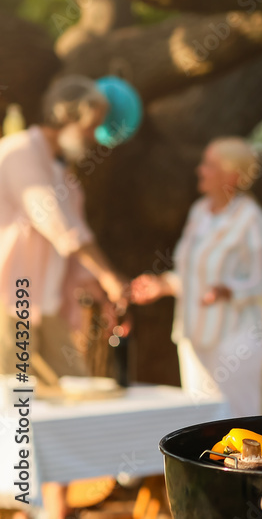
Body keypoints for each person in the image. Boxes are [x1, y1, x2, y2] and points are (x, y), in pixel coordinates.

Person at [0, 75, 130, 519]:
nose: (96, 136)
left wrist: (103, 294)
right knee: (12, 410)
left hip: (47, 307)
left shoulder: (63, 174)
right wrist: (111, 277)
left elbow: (73, 257)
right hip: (8, 305)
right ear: (69, 115)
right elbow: (59, 226)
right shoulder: (18, 152)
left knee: (66, 407)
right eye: (93, 124)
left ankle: (53, 509)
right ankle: (21, 506)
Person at [131, 137, 262, 417]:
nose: (200, 170)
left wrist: (227, 290)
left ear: (231, 176)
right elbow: (191, 272)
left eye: (209, 165)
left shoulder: (252, 220)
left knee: (238, 420)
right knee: (200, 421)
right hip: (192, 334)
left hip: (234, 339)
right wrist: (163, 285)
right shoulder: (199, 212)